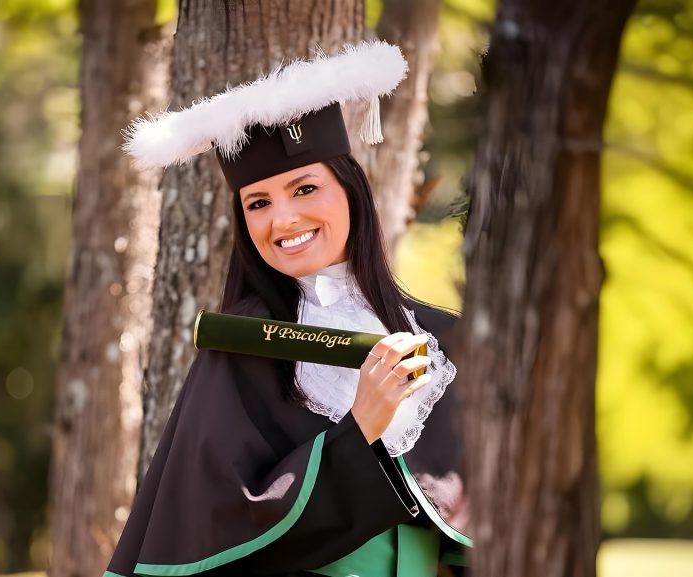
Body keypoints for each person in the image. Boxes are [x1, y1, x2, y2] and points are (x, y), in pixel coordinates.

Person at [106, 41, 471, 577]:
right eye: (259, 203)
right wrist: (360, 426)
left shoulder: (440, 340)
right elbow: (219, 528)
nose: (283, 220)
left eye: (304, 188)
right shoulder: (239, 346)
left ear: (351, 191)